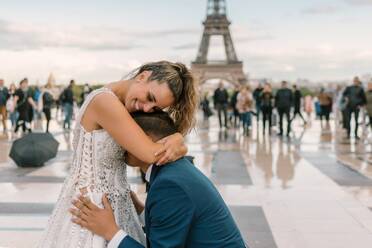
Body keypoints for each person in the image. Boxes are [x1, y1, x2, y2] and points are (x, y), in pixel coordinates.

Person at [38, 61, 198, 248]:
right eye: (150, 97)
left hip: (115, 206)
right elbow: (151, 153)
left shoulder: (123, 105)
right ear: (142, 76)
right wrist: (179, 141)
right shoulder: (104, 101)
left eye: (155, 108)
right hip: (92, 206)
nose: (147, 108)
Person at [70, 111, 247, 248]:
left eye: (123, 138)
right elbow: (176, 222)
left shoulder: (170, 184)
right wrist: (139, 209)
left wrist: (110, 231)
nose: (119, 144)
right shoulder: (176, 170)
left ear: (144, 139)